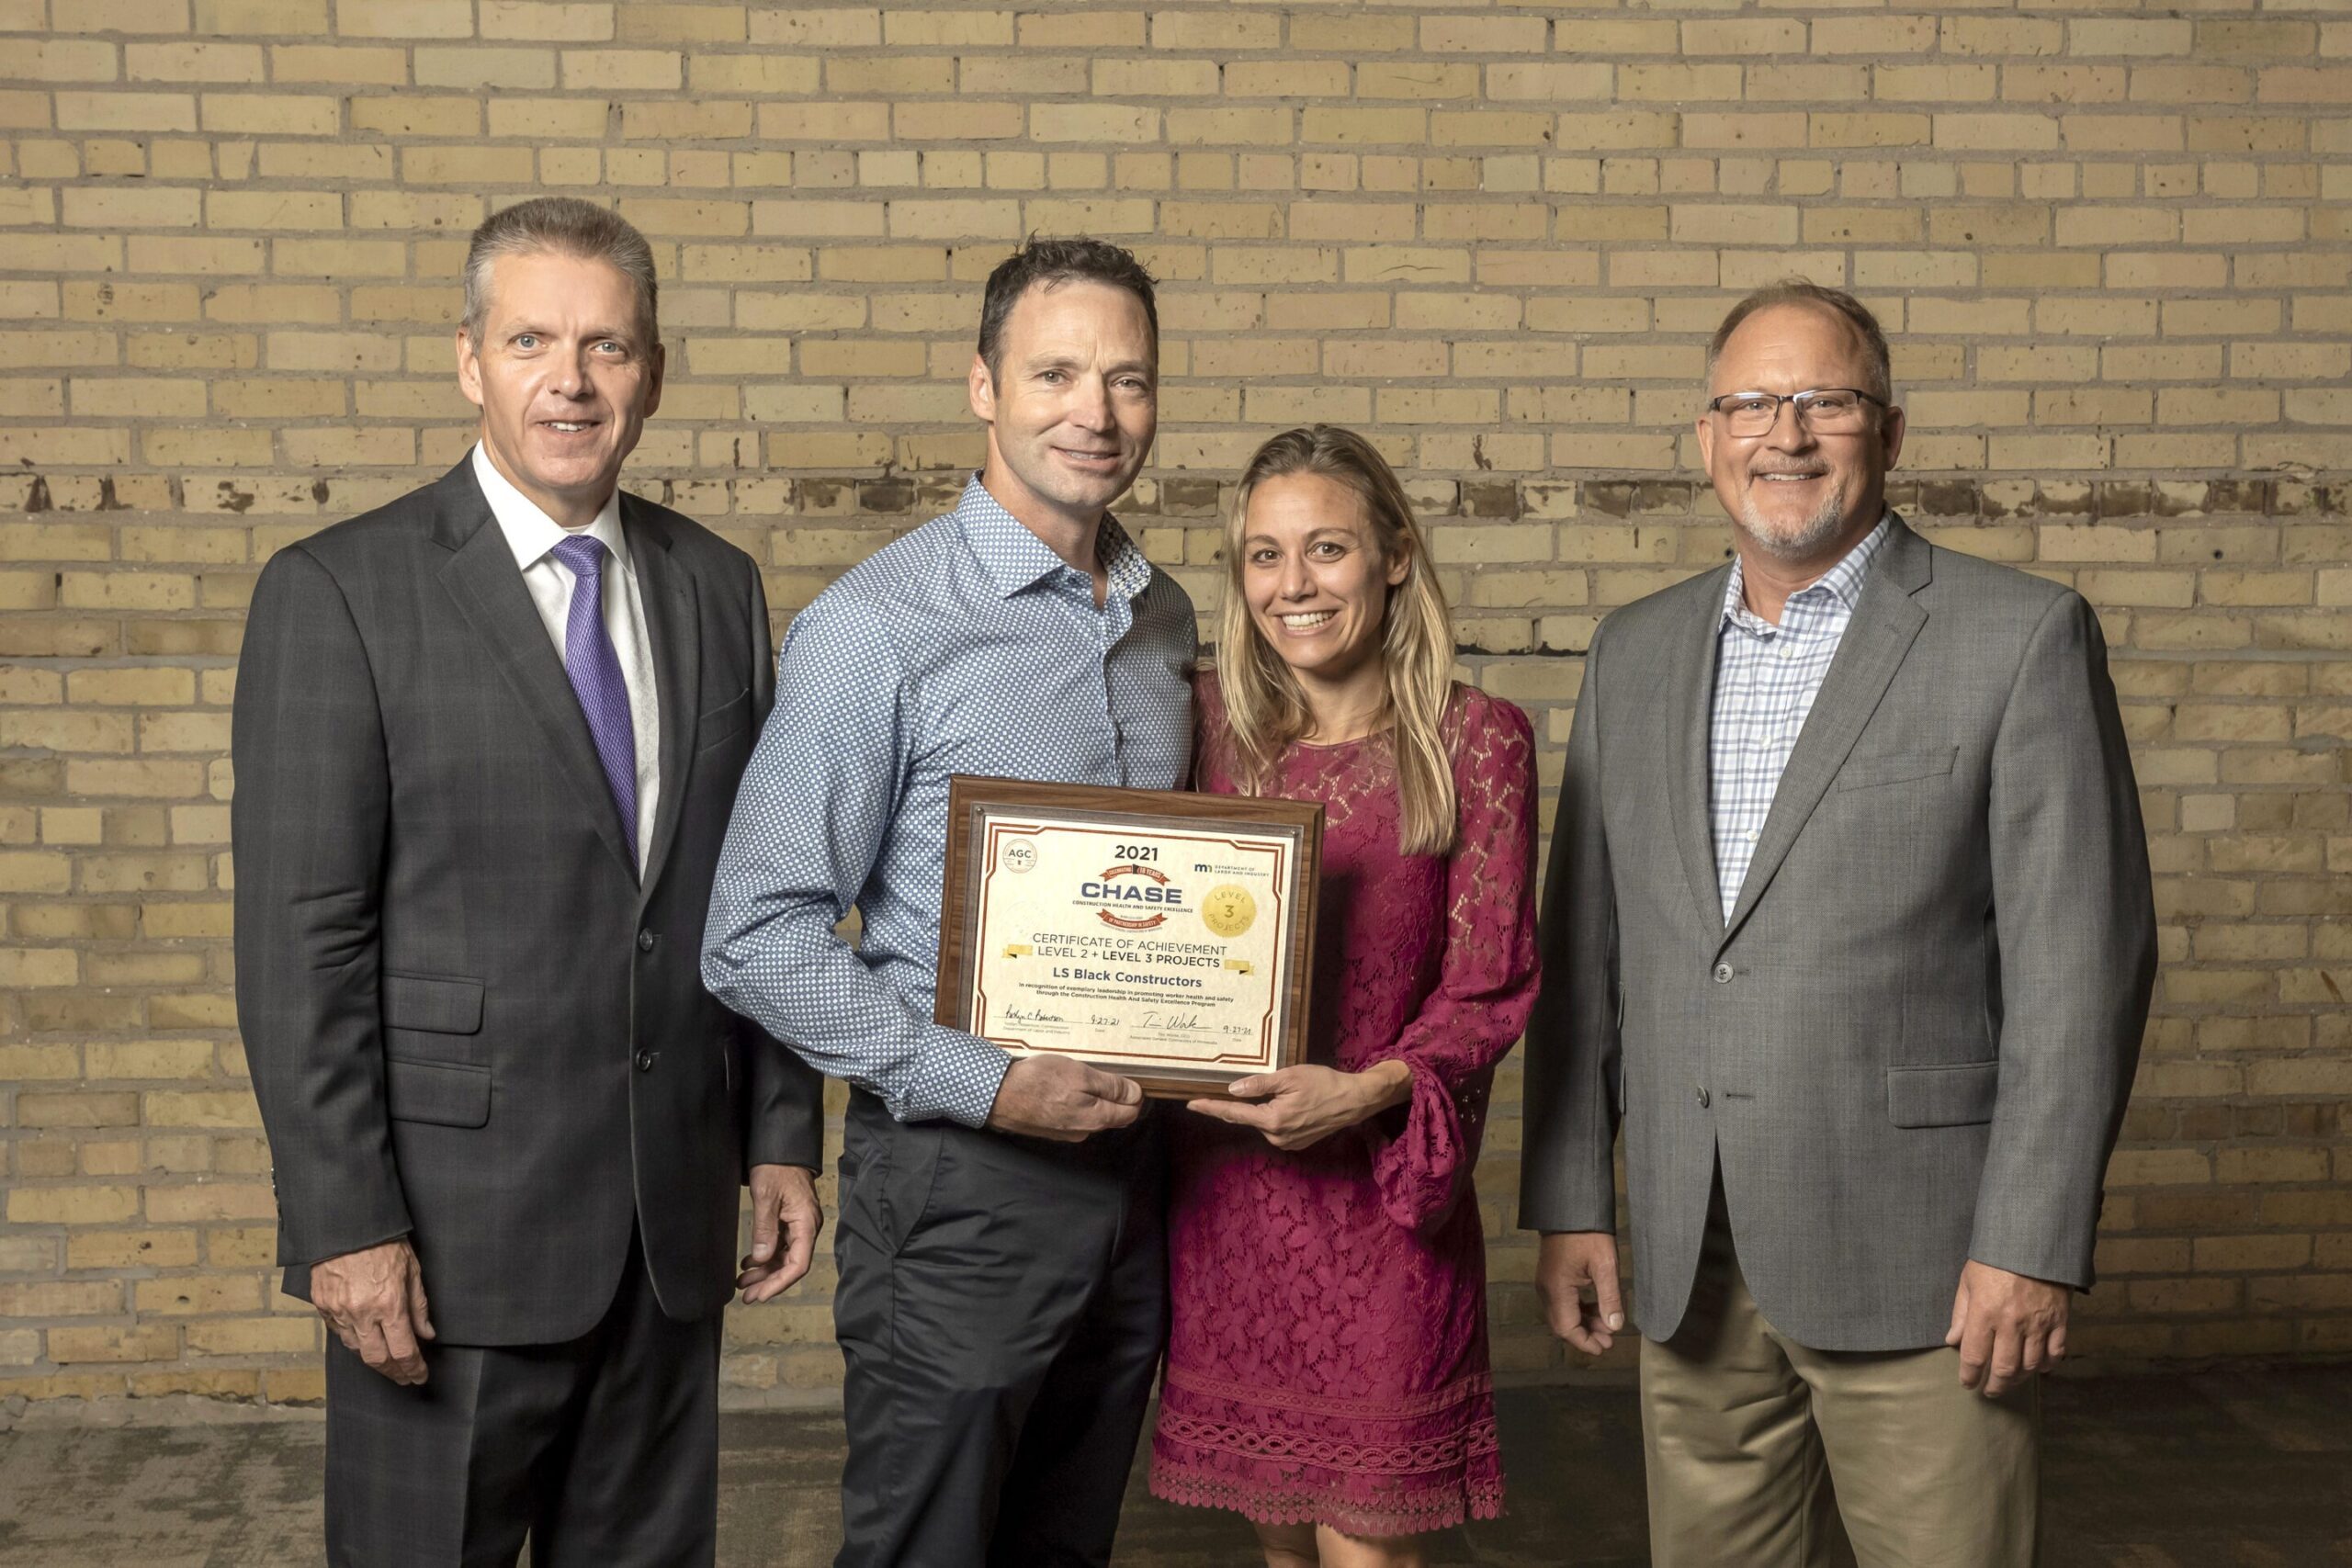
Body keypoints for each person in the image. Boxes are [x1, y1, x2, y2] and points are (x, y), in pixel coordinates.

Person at [1519, 280, 2158, 1567]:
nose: (1787, 434)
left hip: (1925, 1261)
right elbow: (1584, 956)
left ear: (1892, 431)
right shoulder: (1633, 651)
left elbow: (2080, 969)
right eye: (1752, 403)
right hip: (1693, 1256)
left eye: (1827, 401)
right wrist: (1572, 1198)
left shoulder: (2018, 636)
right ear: (1708, 437)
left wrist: (2030, 1241)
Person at [232, 197, 825, 1568]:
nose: (572, 381)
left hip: (668, 1229)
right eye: (531, 342)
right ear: (469, 361)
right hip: (449, 1241)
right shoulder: (339, 592)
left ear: (652, 374)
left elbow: (759, 888)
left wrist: (780, 1131)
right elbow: (300, 946)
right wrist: (345, 1223)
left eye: (607, 346)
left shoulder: (716, 585)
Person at [702, 237, 1194, 1568]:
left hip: (1135, 1176)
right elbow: (752, 934)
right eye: (1055, 374)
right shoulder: (881, 626)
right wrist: (987, 1083)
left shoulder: (1165, 620)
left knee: (1065, 1542)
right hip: (960, 1183)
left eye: (1128, 379)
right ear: (983, 387)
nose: (1095, 413)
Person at [1149, 426, 1540, 1568]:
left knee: (1366, 1546)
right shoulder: (1202, 728)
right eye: (1263, 556)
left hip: (1382, 1196)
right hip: (1229, 1192)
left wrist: (1365, 1091)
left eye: (1326, 549)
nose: (1294, 585)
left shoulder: (1474, 741)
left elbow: (1488, 986)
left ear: (1395, 556)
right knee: (1280, 1543)